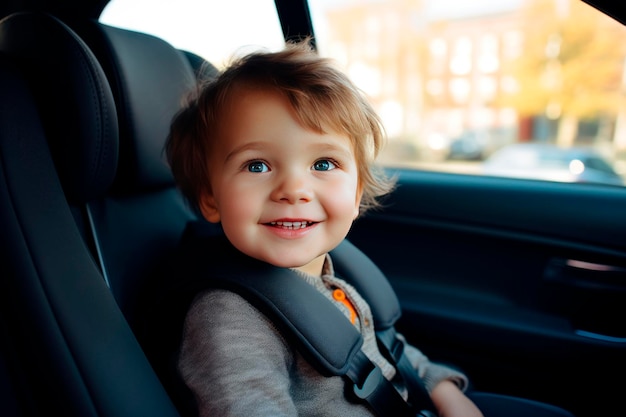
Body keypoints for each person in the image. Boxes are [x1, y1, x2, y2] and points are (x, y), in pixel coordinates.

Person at [164, 38, 484, 417]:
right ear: (212, 199)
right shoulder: (230, 317)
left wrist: (445, 391)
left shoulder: (334, 276)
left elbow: (386, 349)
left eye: (324, 164)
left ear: (356, 192)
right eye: (257, 166)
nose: (294, 190)